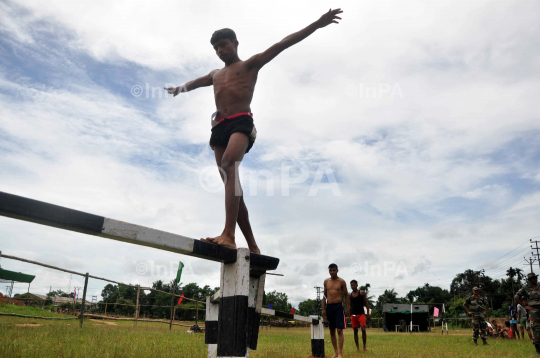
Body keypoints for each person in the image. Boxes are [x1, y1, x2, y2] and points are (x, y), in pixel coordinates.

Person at [165, 9, 343, 253]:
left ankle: (228, 234)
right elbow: (196, 83)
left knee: (229, 166)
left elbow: (283, 44)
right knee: (231, 183)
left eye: (223, 45)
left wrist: (317, 24)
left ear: (235, 43)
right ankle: (252, 245)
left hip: (241, 122)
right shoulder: (215, 74)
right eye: (215, 48)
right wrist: (180, 88)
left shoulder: (250, 65)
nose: (219, 51)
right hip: (219, 128)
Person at [323, 263, 349, 358]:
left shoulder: (342, 281)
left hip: (338, 307)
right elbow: (325, 296)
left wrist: (347, 308)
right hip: (329, 307)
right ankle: (336, 352)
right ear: (329, 271)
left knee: (339, 330)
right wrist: (323, 309)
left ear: (337, 270)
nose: (332, 272)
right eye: (330, 270)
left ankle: (340, 353)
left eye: (334, 270)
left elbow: (346, 295)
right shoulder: (326, 281)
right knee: (332, 330)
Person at [515, 272, 540, 355]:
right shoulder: (526, 288)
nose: (535, 279)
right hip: (534, 311)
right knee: (536, 330)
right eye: (534, 278)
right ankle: (537, 350)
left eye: (536, 278)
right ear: (530, 280)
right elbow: (516, 297)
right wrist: (525, 306)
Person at [349, 280, 370, 352]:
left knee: (363, 329)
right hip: (353, 314)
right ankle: (357, 347)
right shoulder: (350, 295)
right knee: (355, 331)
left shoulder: (362, 293)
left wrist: (368, 314)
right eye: (351, 285)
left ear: (357, 285)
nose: (353, 286)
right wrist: (349, 316)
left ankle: (364, 347)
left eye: (354, 285)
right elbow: (350, 306)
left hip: (361, 314)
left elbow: (366, 303)